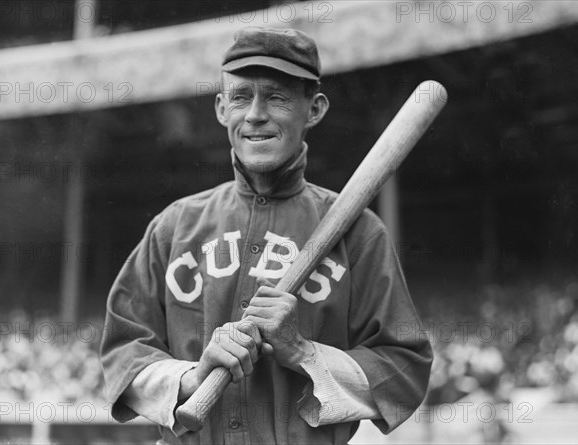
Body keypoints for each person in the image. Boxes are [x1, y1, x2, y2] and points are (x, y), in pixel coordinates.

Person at [100, 27, 432, 445]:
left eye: (276, 97)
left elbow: (404, 370)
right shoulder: (174, 226)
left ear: (313, 109)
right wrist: (193, 377)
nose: (255, 114)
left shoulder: (361, 233)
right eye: (241, 96)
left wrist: (303, 352)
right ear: (222, 108)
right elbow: (122, 354)